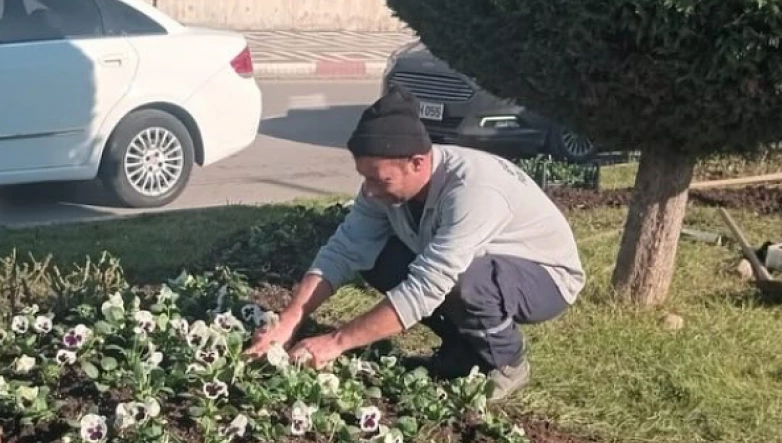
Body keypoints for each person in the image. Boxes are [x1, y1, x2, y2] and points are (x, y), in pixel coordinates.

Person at [247, 86, 585, 401]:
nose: (369, 191)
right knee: (377, 258)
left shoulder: (473, 191)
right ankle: (462, 348)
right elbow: (344, 249)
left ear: (418, 163)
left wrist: (336, 342)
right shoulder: (379, 188)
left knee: (465, 281)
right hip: (475, 263)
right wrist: (291, 318)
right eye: (364, 177)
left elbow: (428, 286)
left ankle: (509, 361)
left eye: (379, 179)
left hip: (544, 277)